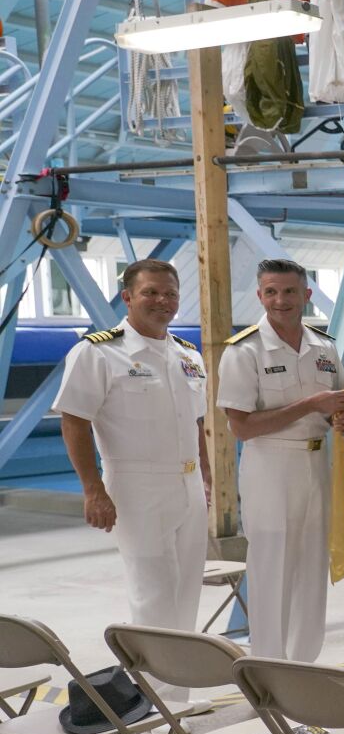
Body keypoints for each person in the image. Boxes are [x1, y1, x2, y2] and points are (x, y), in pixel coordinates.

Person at [55, 258, 212, 631]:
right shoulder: (98, 353)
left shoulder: (188, 355)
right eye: (150, 292)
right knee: (153, 595)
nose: (162, 301)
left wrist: (206, 478)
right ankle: (154, 688)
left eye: (170, 293)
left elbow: (197, 422)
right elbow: (74, 420)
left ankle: (176, 689)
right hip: (137, 487)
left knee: (187, 591)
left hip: (188, 486)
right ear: (127, 297)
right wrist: (93, 490)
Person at [215, 259, 344, 661]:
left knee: (312, 569)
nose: (281, 300)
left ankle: (304, 665)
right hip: (270, 468)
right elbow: (242, 427)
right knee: (272, 569)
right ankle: (269, 667)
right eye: (271, 292)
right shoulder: (244, 351)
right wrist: (311, 404)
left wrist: (339, 417)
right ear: (260, 296)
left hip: (317, 465)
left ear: (306, 295)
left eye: (290, 291)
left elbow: (337, 404)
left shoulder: (323, 347)